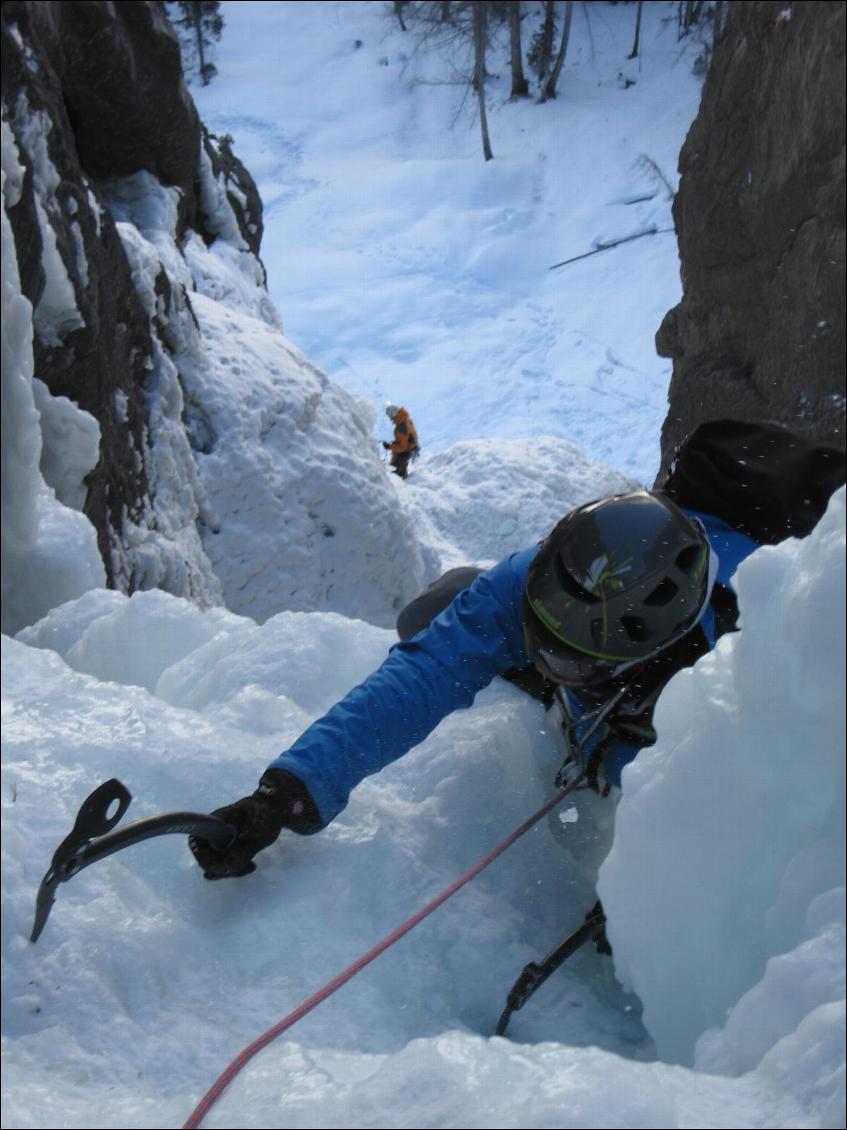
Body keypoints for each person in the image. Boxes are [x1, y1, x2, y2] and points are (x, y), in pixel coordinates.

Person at [189, 488, 761, 879]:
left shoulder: (749, 657)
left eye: (572, 659)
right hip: (615, 697)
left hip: (665, 727)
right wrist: (290, 789)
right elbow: (427, 669)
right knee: (437, 611)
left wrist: (649, 904)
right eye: (543, 640)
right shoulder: (545, 578)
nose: (549, 661)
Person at [382, 402, 419, 479]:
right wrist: (393, 444)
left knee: (394, 471)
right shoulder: (406, 420)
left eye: (390, 416)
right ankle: (404, 477)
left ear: (393, 415)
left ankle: (400, 484)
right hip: (411, 448)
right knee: (400, 469)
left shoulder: (401, 426)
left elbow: (403, 447)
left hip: (407, 450)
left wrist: (390, 446)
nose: (390, 419)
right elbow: (406, 439)